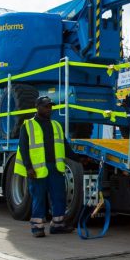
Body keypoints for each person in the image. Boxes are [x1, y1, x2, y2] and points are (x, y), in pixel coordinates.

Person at [14, 96, 84, 237]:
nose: (49, 109)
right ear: (37, 107)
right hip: (38, 170)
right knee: (38, 198)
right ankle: (37, 228)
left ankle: (57, 225)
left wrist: (79, 159)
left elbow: (65, 146)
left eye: (50, 106)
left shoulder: (56, 125)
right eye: (46, 106)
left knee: (59, 197)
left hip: (55, 168)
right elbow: (23, 148)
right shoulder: (28, 125)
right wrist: (28, 168)